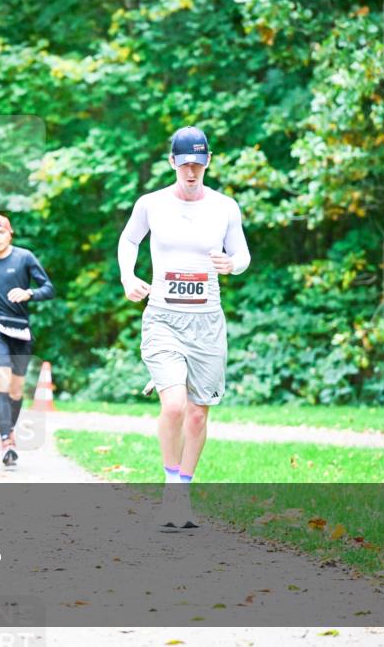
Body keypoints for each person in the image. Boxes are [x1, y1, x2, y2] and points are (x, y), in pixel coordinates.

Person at [117, 126, 251, 529]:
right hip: (163, 317)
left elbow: (242, 253)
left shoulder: (225, 207)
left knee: (197, 414)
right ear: (172, 163)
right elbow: (128, 242)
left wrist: (233, 264)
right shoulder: (151, 204)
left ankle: (183, 490)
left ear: (208, 161)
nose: (191, 171)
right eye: (184, 163)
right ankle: (170, 483)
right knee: (173, 405)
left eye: (198, 163)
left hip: (207, 321)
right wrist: (128, 276)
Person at [0, 214, 55, 467]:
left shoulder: (24, 257)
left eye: (1, 233)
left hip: (20, 330)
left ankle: (9, 431)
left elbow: (49, 287)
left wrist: (29, 293)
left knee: (15, 390)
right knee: (1, 380)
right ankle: (6, 440)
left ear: (10, 234)